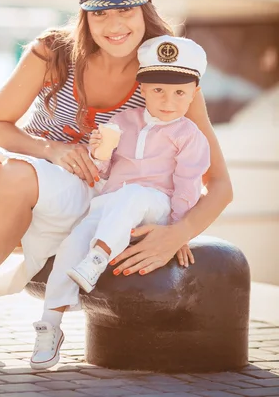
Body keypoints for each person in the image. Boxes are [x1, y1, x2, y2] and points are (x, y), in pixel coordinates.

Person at [0, 0, 232, 367]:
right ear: (84, 16)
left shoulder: (167, 68)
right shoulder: (55, 51)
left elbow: (219, 183)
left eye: (126, 10)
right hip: (39, 165)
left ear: (145, 8)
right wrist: (52, 149)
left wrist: (176, 232)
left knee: (18, 176)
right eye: (100, 13)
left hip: (92, 191)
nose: (114, 26)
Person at [30, 35, 210, 370]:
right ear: (142, 89)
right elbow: (100, 173)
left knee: (134, 195)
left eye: (180, 92)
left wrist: (177, 231)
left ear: (193, 93)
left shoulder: (190, 136)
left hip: (155, 205)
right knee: (71, 245)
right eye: (158, 90)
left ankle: (98, 258)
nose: (168, 100)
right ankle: (50, 326)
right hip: (110, 203)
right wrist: (100, 151)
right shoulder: (122, 123)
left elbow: (188, 187)